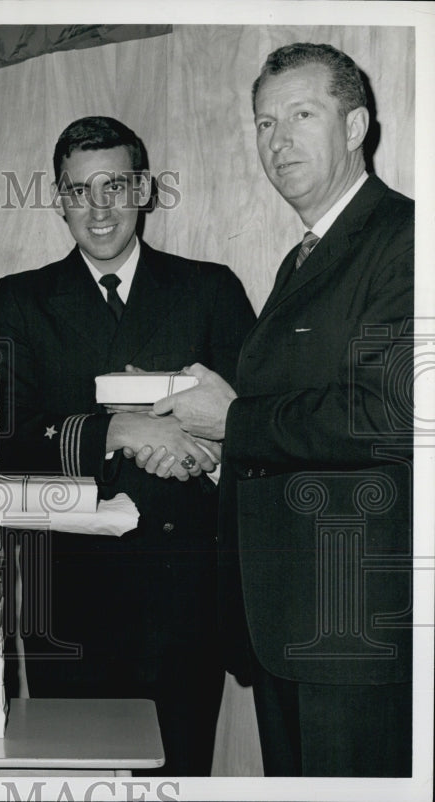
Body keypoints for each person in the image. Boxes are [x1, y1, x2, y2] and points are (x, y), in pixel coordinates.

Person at [154, 43, 413, 776]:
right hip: (292, 623)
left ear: (356, 125)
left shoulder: (405, 237)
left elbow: (392, 414)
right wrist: (207, 436)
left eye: (302, 115)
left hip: (350, 628)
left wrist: (231, 422)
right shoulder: (307, 254)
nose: (277, 140)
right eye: (265, 123)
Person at [0, 116, 256, 775]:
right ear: (59, 198)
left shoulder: (209, 289)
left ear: (145, 190)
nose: (99, 209)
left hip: (184, 598)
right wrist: (119, 431)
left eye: (115, 186)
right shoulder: (22, 299)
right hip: (67, 601)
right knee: (77, 780)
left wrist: (200, 449)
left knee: (177, 775)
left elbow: (255, 422)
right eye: (80, 190)